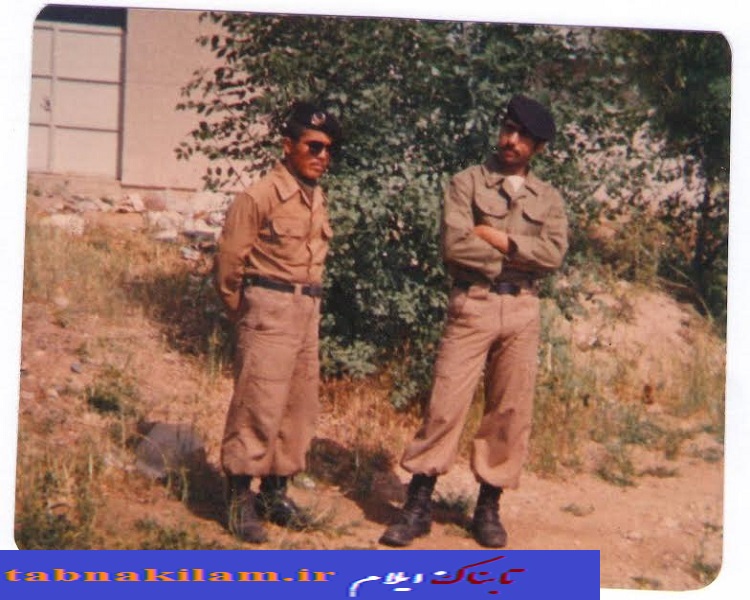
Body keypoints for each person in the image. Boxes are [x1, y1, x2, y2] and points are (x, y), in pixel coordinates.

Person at [379, 95, 568, 548]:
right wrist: (518, 257)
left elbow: (553, 255)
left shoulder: (549, 198)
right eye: (507, 129)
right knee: (445, 404)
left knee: (509, 411)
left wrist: (499, 238)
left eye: (522, 136)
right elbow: (456, 246)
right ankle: (417, 505)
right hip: (473, 304)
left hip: (522, 310)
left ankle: (488, 508)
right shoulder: (466, 183)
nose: (511, 140)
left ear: (538, 147)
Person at [214, 101, 340, 543]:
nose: (323, 156)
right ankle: (238, 497)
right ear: (288, 145)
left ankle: (274, 492)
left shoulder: (315, 195)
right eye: (314, 146)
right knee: (258, 403)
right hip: (268, 307)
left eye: (329, 149)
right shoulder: (259, 196)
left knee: (297, 406)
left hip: (307, 310)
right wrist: (248, 313)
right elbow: (229, 266)